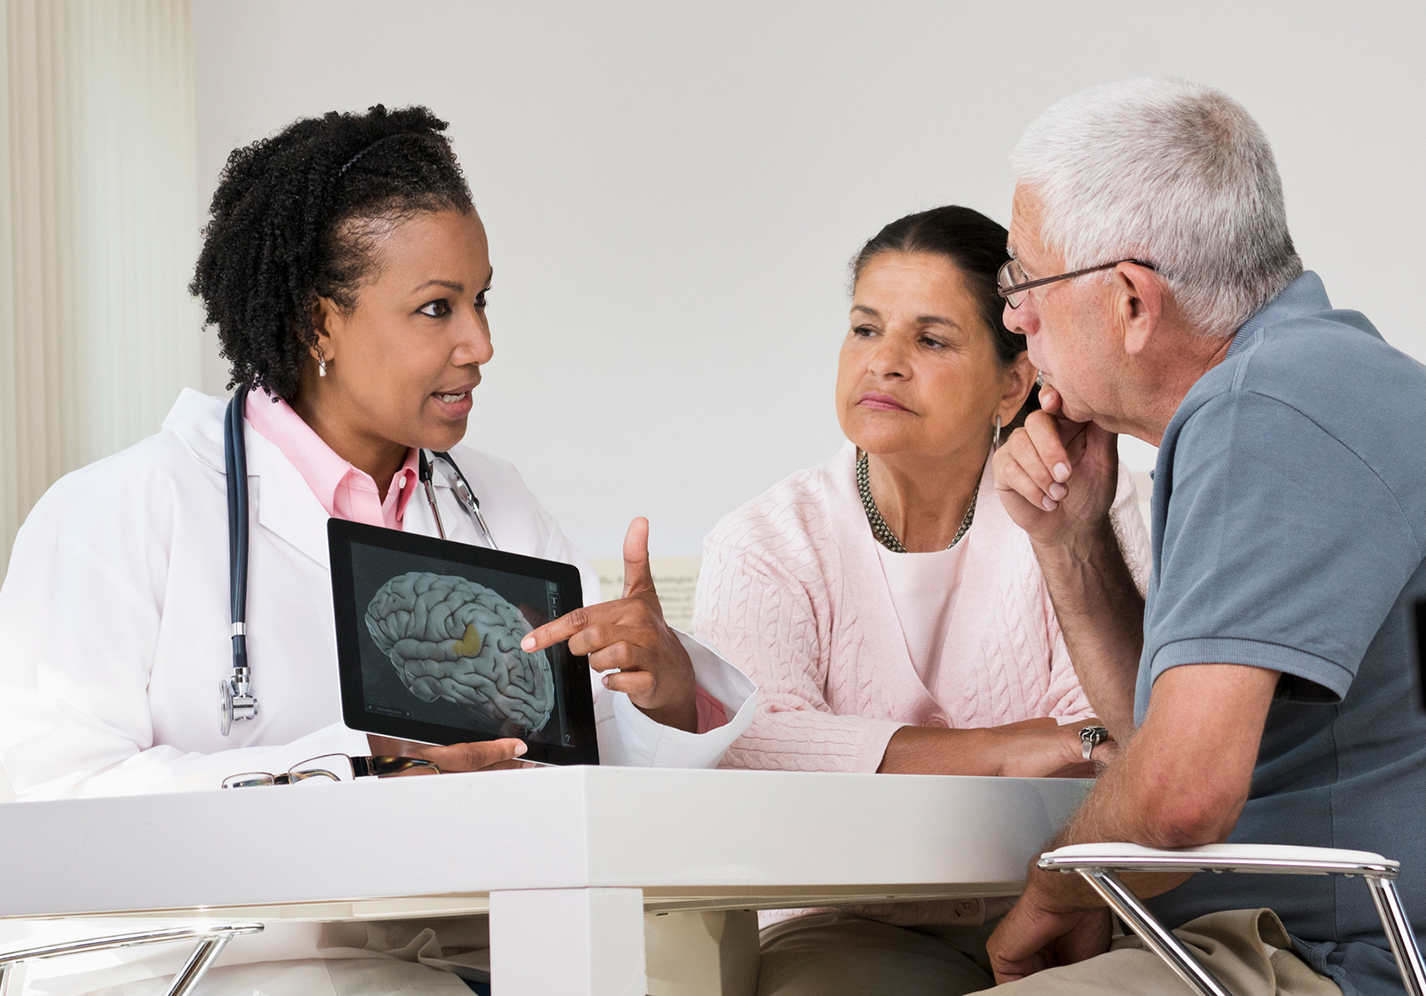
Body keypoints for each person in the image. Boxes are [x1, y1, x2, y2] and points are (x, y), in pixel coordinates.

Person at [0, 105, 754, 995]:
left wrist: (662, 695)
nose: (480, 343)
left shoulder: (494, 500)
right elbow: (48, 809)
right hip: (211, 966)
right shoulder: (118, 510)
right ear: (320, 324)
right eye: (437, 308)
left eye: (480, 300)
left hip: (482, 954)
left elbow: (585, 784)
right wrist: (361, 762)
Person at [986, 78, 1426, 996]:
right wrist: (1073, 539)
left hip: (1332, 959)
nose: (1014, 318)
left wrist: (1052, 891)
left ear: (1133, 301)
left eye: (1024, 278)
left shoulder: (1262, 408)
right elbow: (1167, 745)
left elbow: (1182, 799)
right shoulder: (1323, 379)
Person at [692, 205, 1150, 995]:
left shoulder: (1100, 509)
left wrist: (861, 754)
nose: (885, 363)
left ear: (1015, 382)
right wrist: (1005, 749)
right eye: (865, 329)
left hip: (1073, 916)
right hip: (838, 923)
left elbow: (1114, 739)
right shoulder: (763, 541)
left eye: (931, 340)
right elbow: (749, 746)